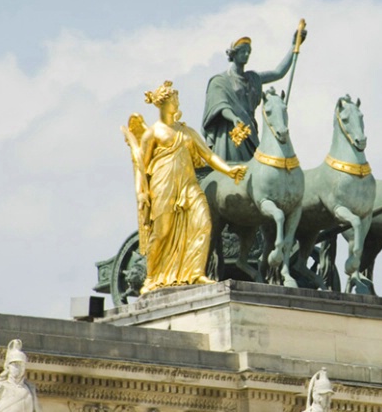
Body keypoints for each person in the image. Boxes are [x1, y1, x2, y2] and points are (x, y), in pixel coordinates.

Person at [124, 80, 247, 294]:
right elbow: (141, 168)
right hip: (163, 186)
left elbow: (207, 155)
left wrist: (228, 170)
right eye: (174, 99)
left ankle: (195, 272)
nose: (177, 102)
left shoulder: (186, 131)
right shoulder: (151, 133)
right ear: (163, 103)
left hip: (188, 186)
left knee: (203, 224)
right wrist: (141, 193)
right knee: (162, 233)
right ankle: (151, 277)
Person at [201, 27, 306, 162]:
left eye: (248, 52)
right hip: (231, 133)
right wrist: (234, 118)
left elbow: (278, 73)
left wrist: (293, 46)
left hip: (250, 132)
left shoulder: (253, 78)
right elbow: (221, 106)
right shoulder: (220, 81)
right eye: (242, 52)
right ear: (234, 54)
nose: (246, 55)